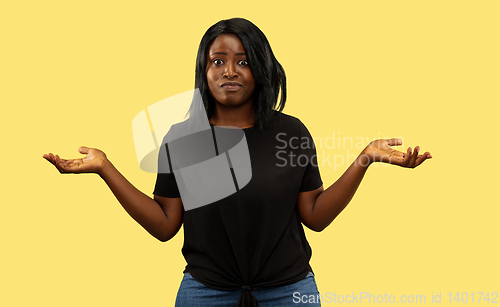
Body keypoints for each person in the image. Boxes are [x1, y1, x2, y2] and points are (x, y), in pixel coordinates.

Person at [43, 18, 431, 307]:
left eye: (243, 62)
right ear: (204, 71)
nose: (229, 71)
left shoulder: (290, 132)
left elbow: (314, 215)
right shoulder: (181, 138)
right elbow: (164, 225)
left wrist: (364, 159)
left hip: (289, 292)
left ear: (260, 71)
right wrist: (106, 168)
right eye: (218, 61)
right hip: (205, 292)